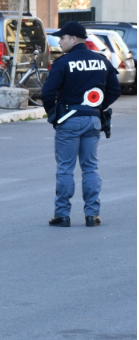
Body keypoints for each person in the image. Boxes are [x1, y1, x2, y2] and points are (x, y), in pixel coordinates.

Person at [42, 21, 120, 228]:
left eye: (62, 38)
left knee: (65, 168)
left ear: (73, 39)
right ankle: (92, 215)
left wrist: (54, 115)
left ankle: (62, 215)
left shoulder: (63, 62)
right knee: (91, 168)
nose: (60, 41)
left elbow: (47, 93)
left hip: (68, 119)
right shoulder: (102, 61)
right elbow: (115, 90)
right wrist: (97, 106)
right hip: (93, 119)